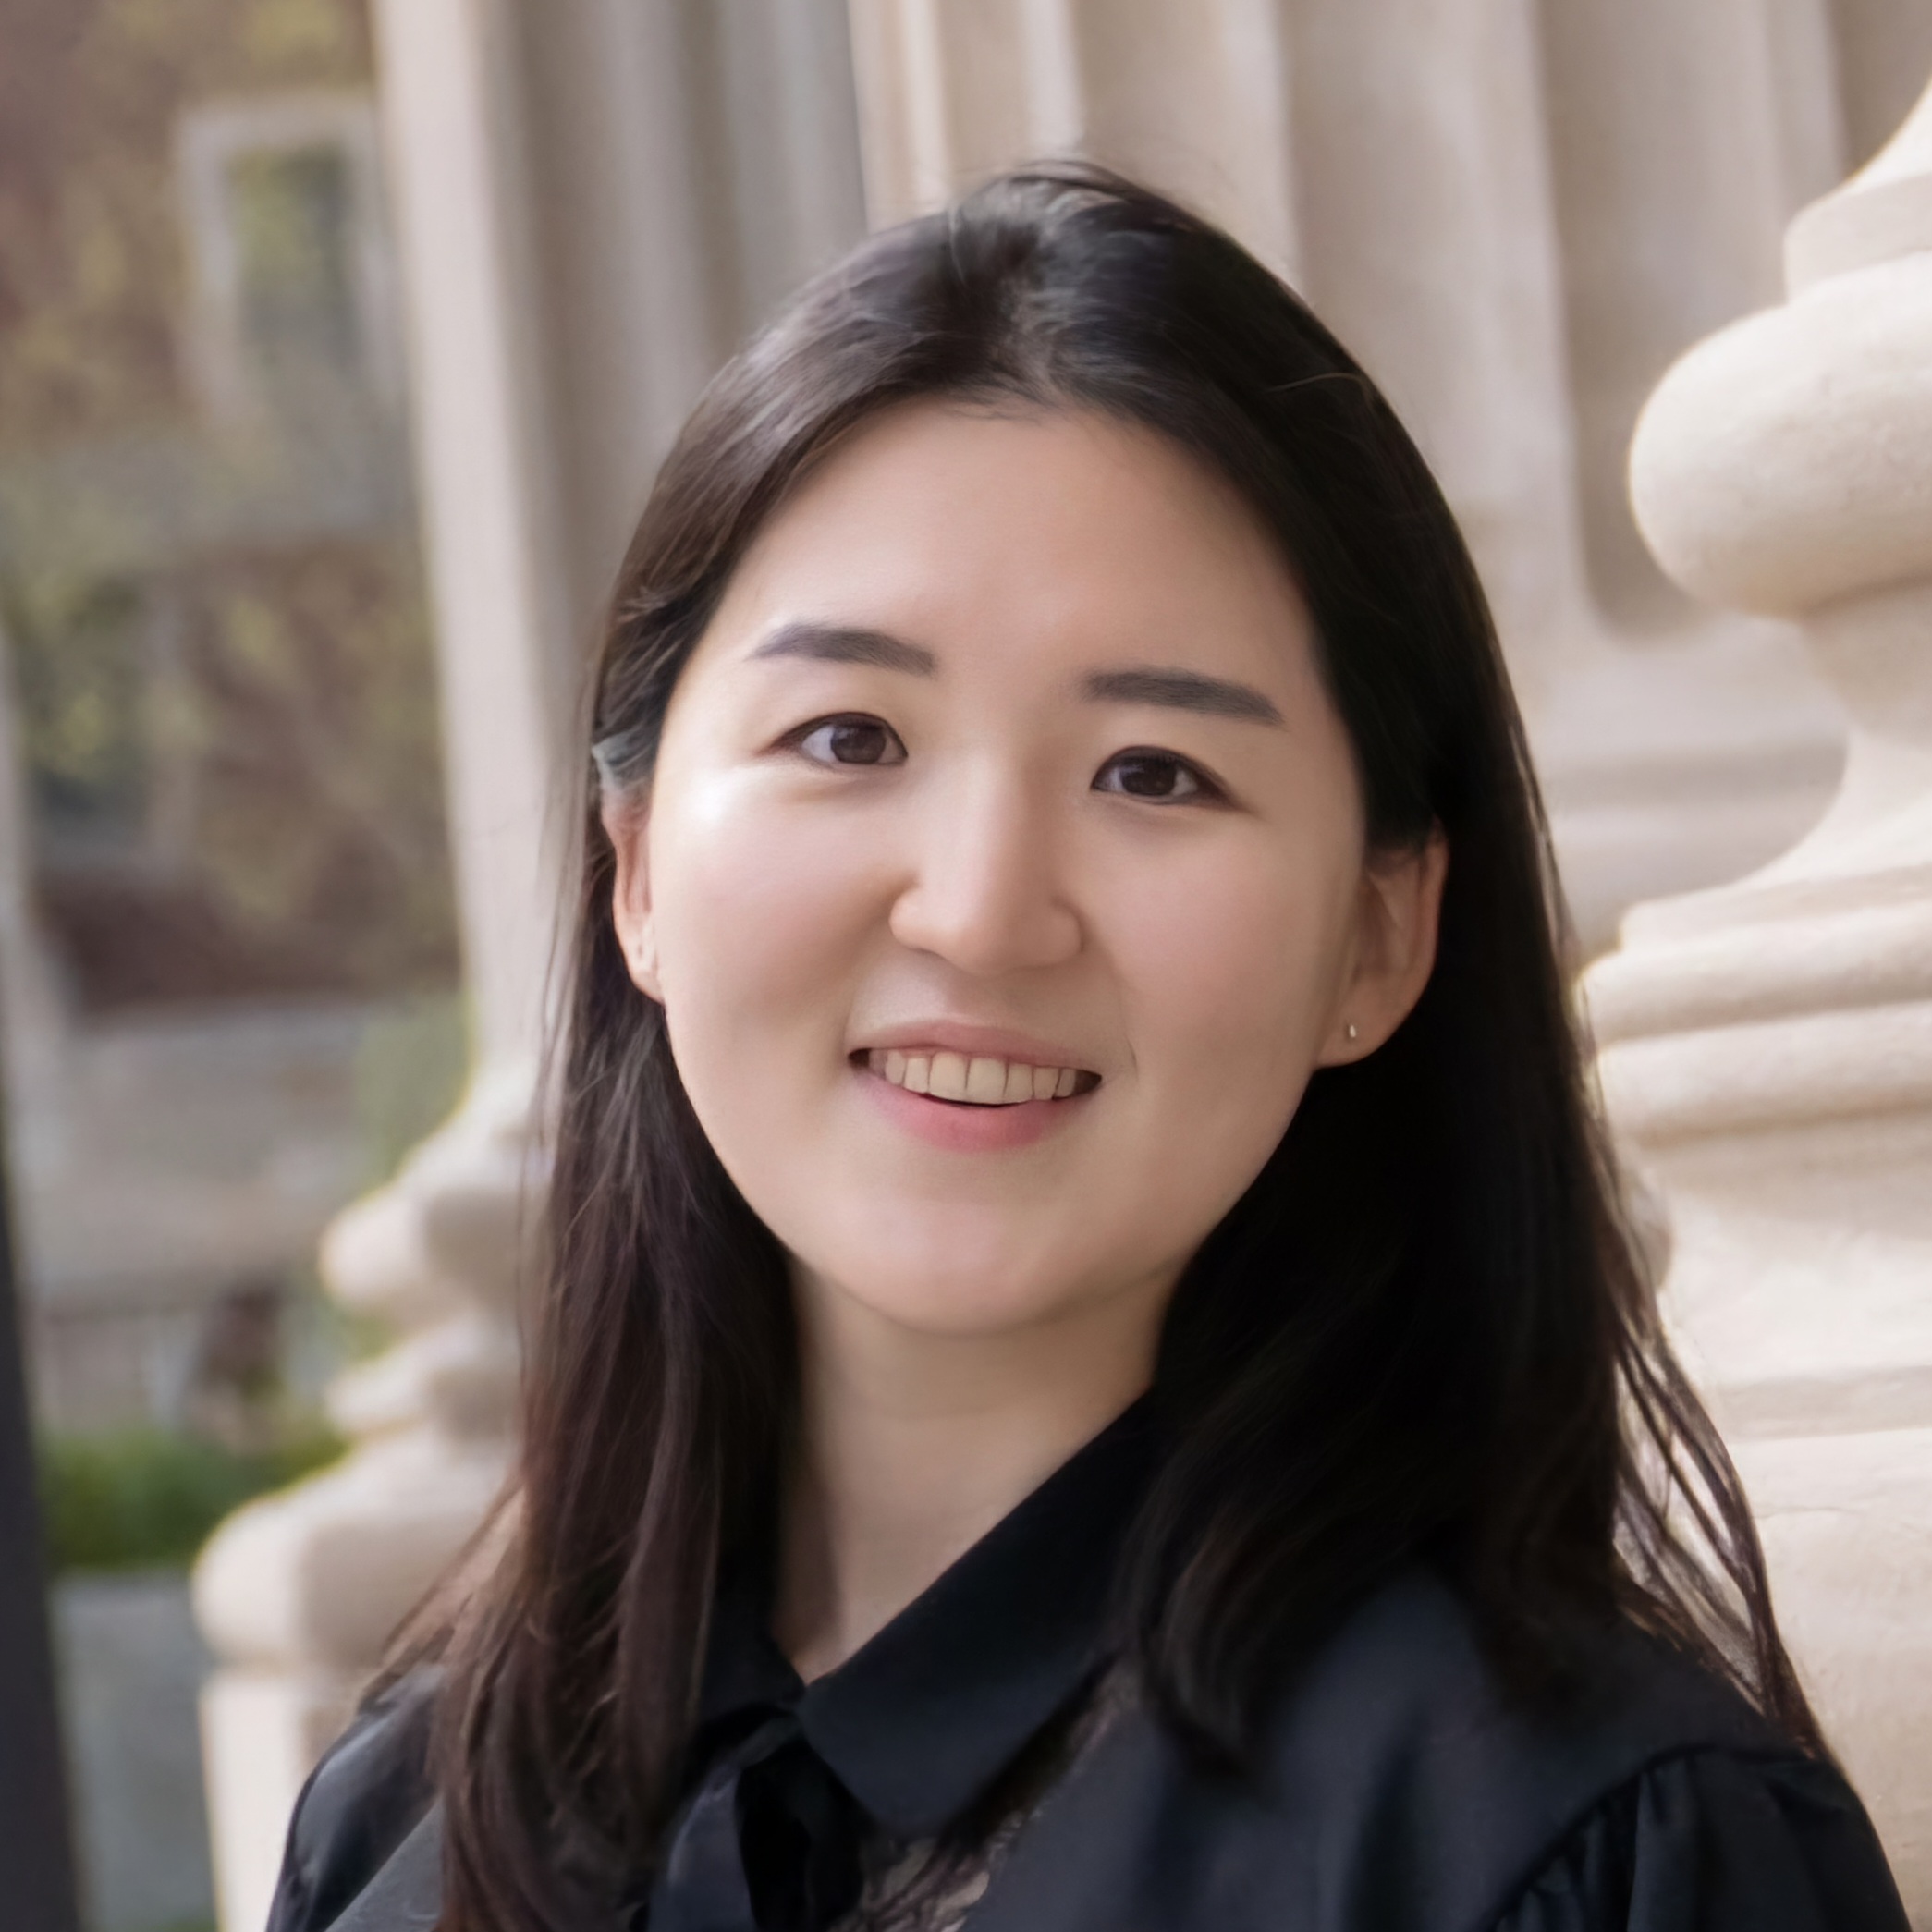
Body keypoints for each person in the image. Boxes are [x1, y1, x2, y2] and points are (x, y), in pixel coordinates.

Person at [266, 167, 1908, 1932]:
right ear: (640, 867)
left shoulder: (1580, 1851)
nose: (980, 911)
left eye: (1153, 772)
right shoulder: (407, 1830)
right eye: (848, 735)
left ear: (1378, 934)